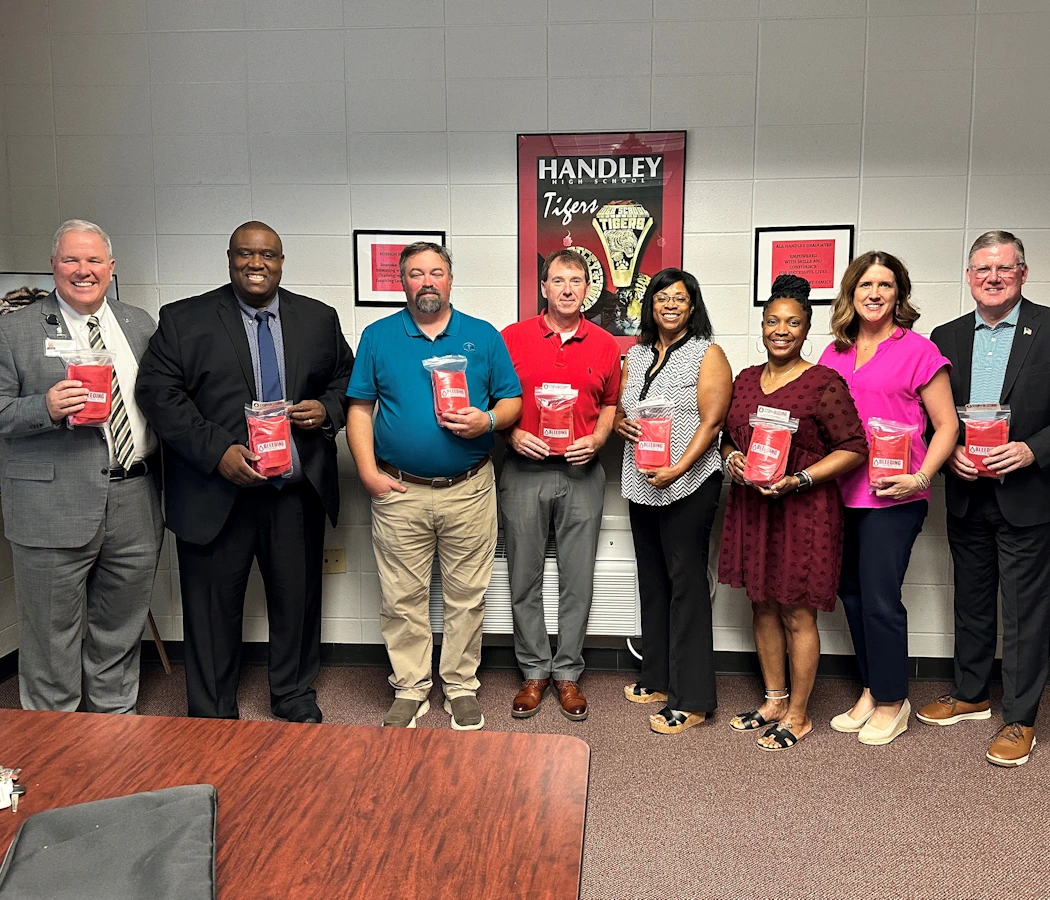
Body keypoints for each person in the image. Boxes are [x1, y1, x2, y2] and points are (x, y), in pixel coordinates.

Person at [136, 221, 354, 723]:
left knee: (297, 602)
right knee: (212, 609)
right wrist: (219, 453)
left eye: (268, 256)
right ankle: (213, 710)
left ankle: (294, 695)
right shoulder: (184, 320)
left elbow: (347, 376)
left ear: (281, 261)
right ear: (229, 258)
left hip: (293, 494)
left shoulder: (318, 319)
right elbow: (158, 394)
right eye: (245, 254)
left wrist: (327, 408)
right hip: (216, 492)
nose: (257, 264)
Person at [346, 242, 521, 730]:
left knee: (468, 594)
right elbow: (359, 408)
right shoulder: (379, 337)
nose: (427, 281)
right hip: (399, 491)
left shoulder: (482, 336)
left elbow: (513, 402)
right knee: (402, 596)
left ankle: (461, 687)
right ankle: (410, 687)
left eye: (436, 272)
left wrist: (486, 420)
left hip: (469, 488)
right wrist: (367, 472)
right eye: (416, 273)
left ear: (450, 280)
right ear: (401, 282)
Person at [0, 219, 162, 713]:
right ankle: (53, 743)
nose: (83, 270)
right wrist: (43, 408)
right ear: (53, 266)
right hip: (50, 504)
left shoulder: (139, 324)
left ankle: (114, 728)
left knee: (119, 628)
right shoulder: (14, 329)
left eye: (94, 261)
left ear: (112, 269)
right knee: (52, 638)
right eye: (71, 260)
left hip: (135, 498)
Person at [916, 231, 1050, 767]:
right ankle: (971, 694)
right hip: (967, 490)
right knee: (970, 600)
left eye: (1003, 268)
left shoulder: (1049, 330)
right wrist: (946, 455)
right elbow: (926, 417)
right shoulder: (943, 336)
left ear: (1022, 272)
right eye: (981, 270)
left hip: (1027, 492)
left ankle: (1020, 719)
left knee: (1023, 612)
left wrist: (1033, 450)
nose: (992, 278)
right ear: (968, 277)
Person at [718, 274, 867, 751]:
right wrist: (730, 458)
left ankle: (799, 715)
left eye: (793, 323)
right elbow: (728, 436)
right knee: (761, 604)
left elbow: (854, 447)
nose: (781, 330)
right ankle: (774, 700)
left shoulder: (824, 382)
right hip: (753, 509)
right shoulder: (743, 380)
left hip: (803, 511)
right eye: (772, 321)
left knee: (798, 613)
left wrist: (799, 478)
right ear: (762, 326)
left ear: (806, 330)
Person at [818, 252, 957, 745]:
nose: (874, 293)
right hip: (839, 496)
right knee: (850, 595)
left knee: (879, 599)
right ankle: (873, 688)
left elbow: (947, 426)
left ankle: (895, 700)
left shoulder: (919, 350)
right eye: (865, 285)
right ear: (850, 294)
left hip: (893, 498)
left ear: (899, 294)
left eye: (885, 284)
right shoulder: (833, 353)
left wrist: (921, 478)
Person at [499, 250, 621, 722]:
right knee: (522, 577)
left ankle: (567, 673)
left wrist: (599, 437)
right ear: (544, 288)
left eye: (577, 280)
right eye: (558, 280)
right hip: (524, 471)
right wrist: (510, 432)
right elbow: (491, 400)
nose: (567, 288)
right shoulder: (512, 338)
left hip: (582, 473)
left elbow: (610, 403)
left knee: (578, 580)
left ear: (587, 289)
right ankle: (534, 671)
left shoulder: (606, 344)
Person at [614, 268, 731, 734]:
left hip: (688, 482)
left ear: (692, 305)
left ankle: (694, 698)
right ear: (650, 305)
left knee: (686, 587)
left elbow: (713, 421)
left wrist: (679, 467)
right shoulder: (637, 354)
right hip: (641, 481)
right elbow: (623, 408)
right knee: (654, 582)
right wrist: (621, 425)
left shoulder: (708, 354)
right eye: (661, 297)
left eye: (679, 298)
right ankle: (658, 676)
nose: (669, 305)